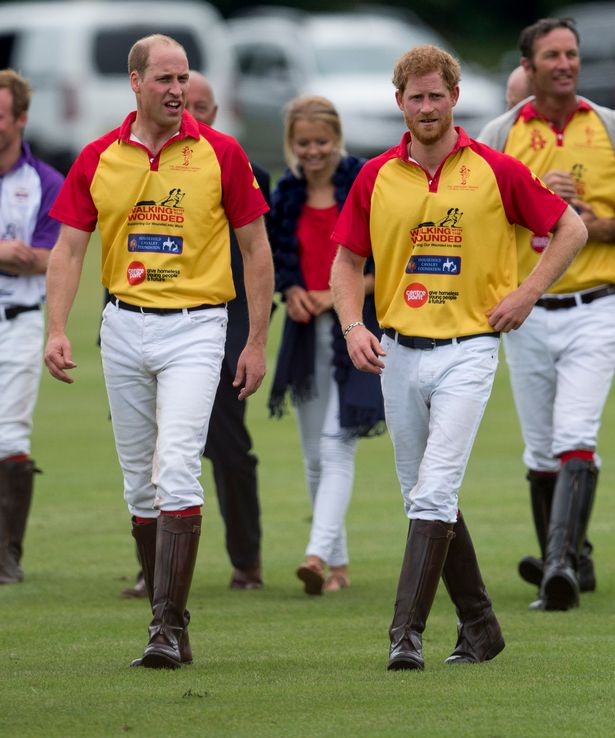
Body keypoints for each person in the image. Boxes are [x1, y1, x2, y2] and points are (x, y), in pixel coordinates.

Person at [330, 44, 587, 670]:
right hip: (396, 353)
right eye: (414, 97)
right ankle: (480, 625)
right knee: (423, 494)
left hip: (468, 350)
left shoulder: (496, 169)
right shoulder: (374, 177)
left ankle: (405, 635)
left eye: (435, 95)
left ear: (454, 97)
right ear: (400, 103)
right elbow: (346, 261)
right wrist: (351, 326)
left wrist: (527, 293)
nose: (426, 107)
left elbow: (570, 229)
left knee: (435, 489)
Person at [43, 35, 273, 669]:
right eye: (165, 79)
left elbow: (256, 249)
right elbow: (67, 250)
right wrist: (57, 328)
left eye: (184, 78)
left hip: (199, 327)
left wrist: (253, 340)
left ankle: (166, 630)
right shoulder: (97, 157)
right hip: (121, 326)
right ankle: (166, 618)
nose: (177, 90)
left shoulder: (222, 153)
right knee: (139, 487)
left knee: (176, 468)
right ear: (136, 82)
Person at [479, 18, 615, 611]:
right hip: (528, 306)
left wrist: (587, 221)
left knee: (575, 435)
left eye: (571, 54)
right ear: (528, 67)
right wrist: (539, 201)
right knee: (539, 449)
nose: (565, 63)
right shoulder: (500, 132)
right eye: (551, 56)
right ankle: (571, 563)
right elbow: (480, 224)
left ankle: (556, 566)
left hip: (596, 306)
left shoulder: (609, 127)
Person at [120, 70, 270, 597]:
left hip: (216, 325)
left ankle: (246, 559)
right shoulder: (134, 163)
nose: (192, 111)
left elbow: (256, 254)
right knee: (150, 456)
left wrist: (253, 338)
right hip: (138, 324)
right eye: (186, 100)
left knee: (227, 449)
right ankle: (153, 570)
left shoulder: (230, 162)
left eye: (202, 105)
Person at [267, 95, 384, 595]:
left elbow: (387, 267)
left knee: (338, 445)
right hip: (302, 335)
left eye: (321, 142)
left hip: (355, 332)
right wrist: (292, 290)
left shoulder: (365, 185)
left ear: (337, 139)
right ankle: (336, 565)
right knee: (314, 453)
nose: (313, 151)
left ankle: (314, 555)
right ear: (291, 145)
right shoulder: (285, 192)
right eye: (302, 143)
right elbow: (275, 259)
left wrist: (331, 296)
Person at [0, 69, 64, 585]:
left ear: (20, 119)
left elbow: (48, 258)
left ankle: (6, 556)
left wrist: (27, 259)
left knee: (9, 435)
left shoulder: (43, 181)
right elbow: (20, 255)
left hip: (19, 321)